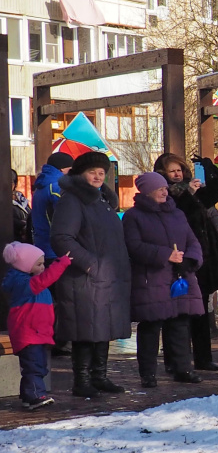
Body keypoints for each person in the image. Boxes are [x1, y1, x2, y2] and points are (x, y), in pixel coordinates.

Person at [50, 150, 132, 398]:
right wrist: (90, 264)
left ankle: (100, 376)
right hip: (84, 278)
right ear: (79, 174)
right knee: (85, 331)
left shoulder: (102, 202)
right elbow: (62, 238)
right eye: (92, 172)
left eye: (101, 173)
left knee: (102, 328)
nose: (97, 177)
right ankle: (82, 380)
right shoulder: (72, 200)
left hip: (106, 278)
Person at [123, 171, 206, 388]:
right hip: (151, 279)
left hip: (179, 276)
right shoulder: (134, 216)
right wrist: (164, 254)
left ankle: (182, 368)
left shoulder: (177, 213)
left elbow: (192, 241)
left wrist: (190, 260)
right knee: (151, 327)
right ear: (147, 191)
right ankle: (148, 373)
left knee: (180, 324)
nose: (164, 191)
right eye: (159, 188)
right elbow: (133, 246)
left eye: (164, 188)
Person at [153, 153, 218, 373]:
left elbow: (216, 191)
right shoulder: (164, 194)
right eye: (172, 171)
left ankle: (203, 357)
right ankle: (176, 360)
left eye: (180, 169)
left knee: (200, 310)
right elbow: (177, 211)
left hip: (201, 260)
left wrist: (211, 169)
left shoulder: (192, 191)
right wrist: (189, 193)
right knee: (177, 313)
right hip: (178, 260)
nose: (177, 174)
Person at [3, 242, 70, 409]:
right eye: (39, 264)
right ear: (25, 265)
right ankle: (35, 395)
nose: (42, 267)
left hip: (35, 332)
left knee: (36, 364)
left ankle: (28, 395)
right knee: (34, 365)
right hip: (29, 333)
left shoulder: (27, 282)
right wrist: (60, 264)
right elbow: (45, 279)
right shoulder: (24, 283)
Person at [31, 152, 74, 260]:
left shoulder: (42, 185)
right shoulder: (57, 187)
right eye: (71, 169)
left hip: (42, 245)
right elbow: (66, 217)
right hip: (56, 249)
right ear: (62, 169)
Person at [9, 170, 32, 245]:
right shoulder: (3, 200)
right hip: (10, 241)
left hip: (26, 240)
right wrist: (21, 224)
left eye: (12, 182)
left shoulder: (20, 197)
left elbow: (29, 212)